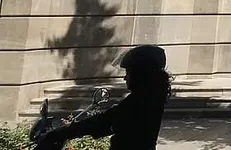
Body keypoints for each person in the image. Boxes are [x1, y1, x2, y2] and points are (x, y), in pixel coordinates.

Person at [36, 45, 171, 150]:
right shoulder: (152, 98)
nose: (125, 77)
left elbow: (102, 121)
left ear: (140, 75)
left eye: (129, 72)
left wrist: (59, 133)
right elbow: (106, 123)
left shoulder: (139, 103)